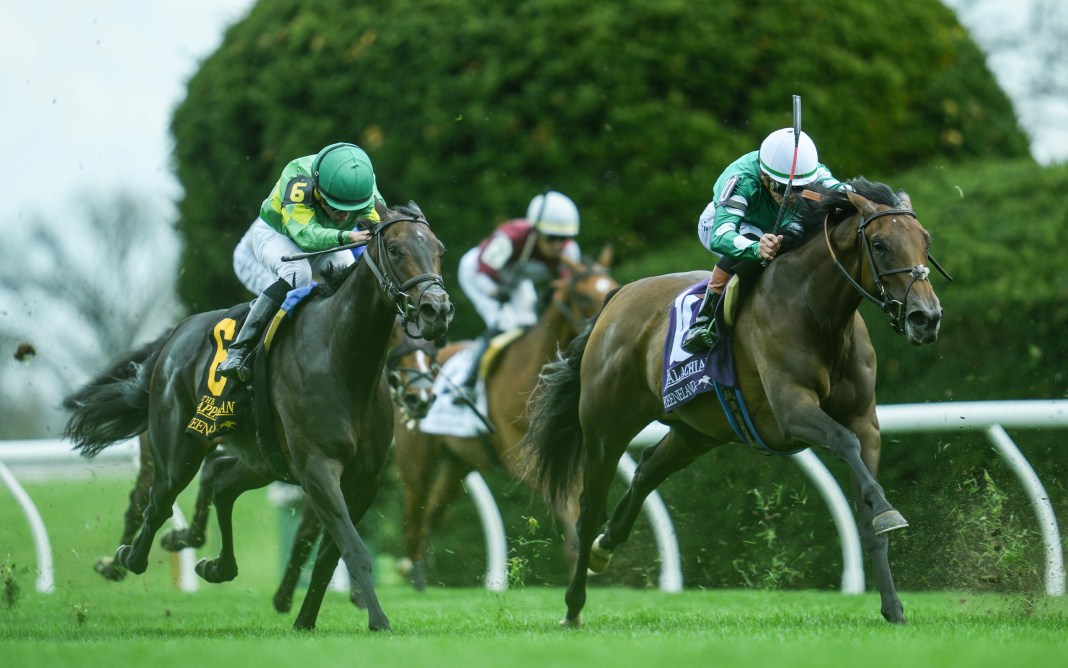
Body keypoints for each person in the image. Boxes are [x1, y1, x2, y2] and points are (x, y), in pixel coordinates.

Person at [219, 142, 384, 382]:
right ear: (318, 191)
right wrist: (346, 235)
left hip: (323, 240)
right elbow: (305, 236)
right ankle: (239, 351)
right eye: (339, 209)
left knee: (348, 273)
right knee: (298, 276)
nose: (346, 216)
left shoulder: (363, 182)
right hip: (277, 236)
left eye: (352, 209)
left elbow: (383, 219)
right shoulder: (298, 179)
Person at [681, 128, 844, 353]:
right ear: (764, 176)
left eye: (800, 189)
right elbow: (722, 235)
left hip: (778, 224)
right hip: (727, 225)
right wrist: (756, 248)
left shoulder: (813, 173)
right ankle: (703, 318)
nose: (792, 197)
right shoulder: (742, 180)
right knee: (752, 240)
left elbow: (847, 193)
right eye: (782, 188)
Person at [453, 190, 582, 400]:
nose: (558, 246)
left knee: (530, 326)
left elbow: (564, 286)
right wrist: (494, 292)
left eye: (564, 238)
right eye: (551, 238)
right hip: (479, 275)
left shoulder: (569, 252)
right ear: (536, 231)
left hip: (515, 282)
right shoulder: (510, 237)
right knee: (505, 325)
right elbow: (482, 271)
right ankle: (468, 381)